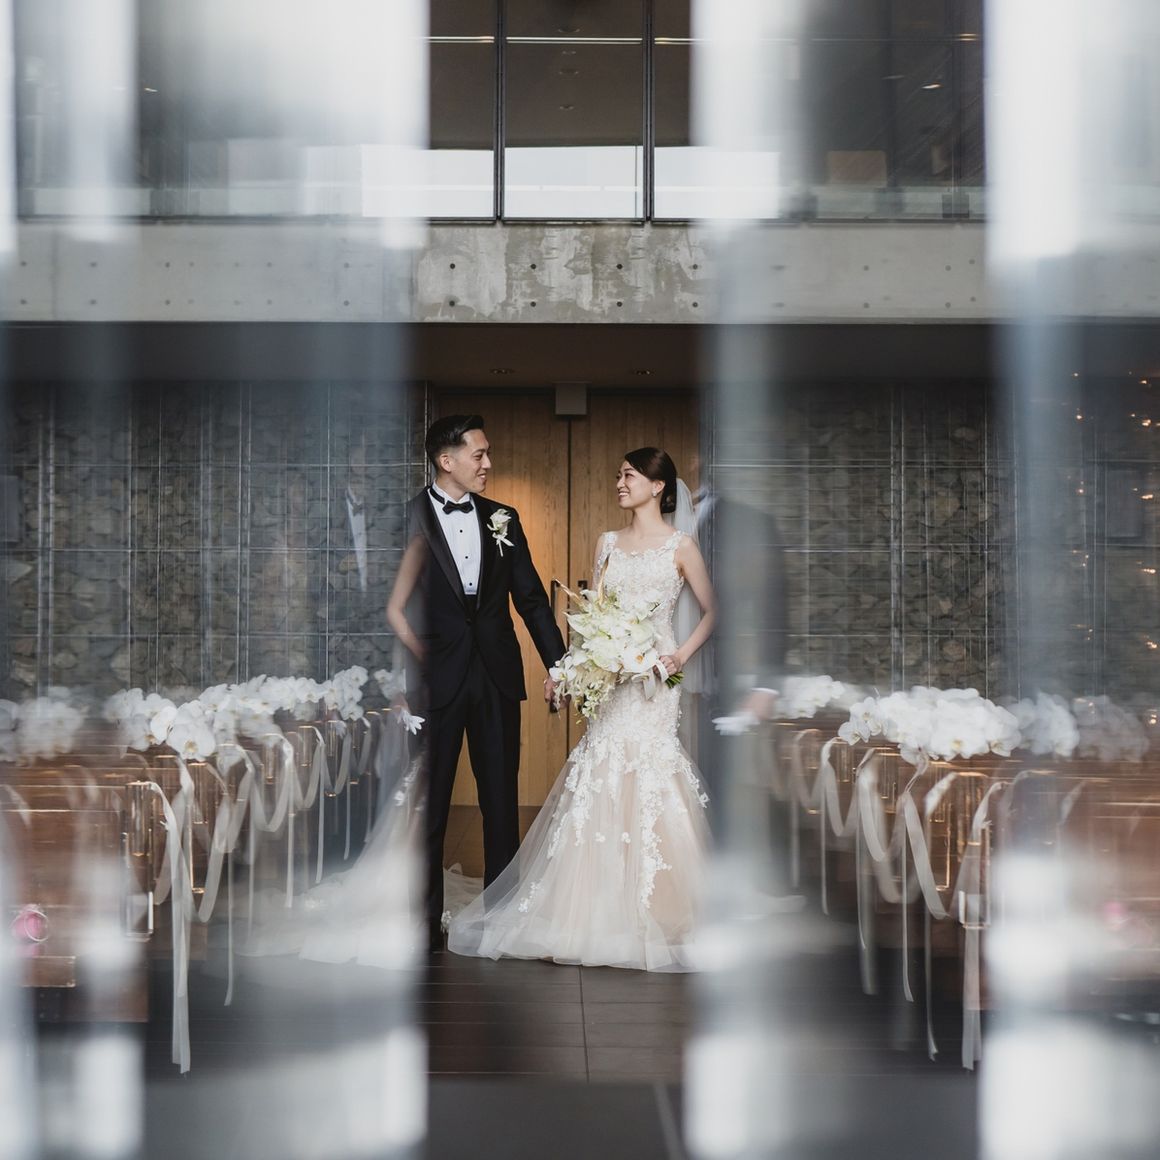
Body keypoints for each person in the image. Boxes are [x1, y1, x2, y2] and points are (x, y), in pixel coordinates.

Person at [448, 448, 716, 971]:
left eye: (629, 476)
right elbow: (597, 617)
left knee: (651, 776)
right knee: (603, 772)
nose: (619, 483)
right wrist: (569, 671)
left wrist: (678, 656)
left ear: (658, 486)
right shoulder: (607, 542)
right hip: (612, 680)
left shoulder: (681, 546)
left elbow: (713, 610)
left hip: (654, 682)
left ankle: (661, 906)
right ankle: (594, 907)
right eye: (618, 475)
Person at [386, 415, 565, 950]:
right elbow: (386, 605)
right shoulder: (404, 519)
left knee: (500, 802)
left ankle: (501, 917)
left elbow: (531, 600)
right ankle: (422, 926)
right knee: (431, 806)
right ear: (447, 461)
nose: (488, 463)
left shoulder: (503, 518)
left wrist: (559, 665)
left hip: (495, 675)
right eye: (479, 454)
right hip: (432, 680)